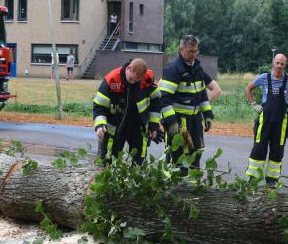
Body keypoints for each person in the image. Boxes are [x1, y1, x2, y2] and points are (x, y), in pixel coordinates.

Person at [158, 35, 222, 173]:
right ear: (181, 50)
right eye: (190, 51)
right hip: (178, 121)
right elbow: (164, 99)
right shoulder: (173, 69)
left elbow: (202, 95)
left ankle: (192, 188)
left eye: (195, 51)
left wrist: (207, 115)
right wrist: (172, 122)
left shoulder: (197, 69)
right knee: (177, 155)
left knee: (196, 152)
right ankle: (174, 188)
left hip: (195, 120)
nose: (193, 55)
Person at [245, 54, 288, 185]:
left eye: (282, 64)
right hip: (265, 119)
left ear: (285, 65)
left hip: (281, 121)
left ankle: (272, 180)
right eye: (277, 63)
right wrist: (253, 104)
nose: (279, 66)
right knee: (259, 147)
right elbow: (248, 89)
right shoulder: (264, 78)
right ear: (273, 63)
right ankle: (252, 178)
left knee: (277, 149)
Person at [93, 58, 167, 165]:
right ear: (129, 68)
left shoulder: (147, 80)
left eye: (136, 80)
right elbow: (99, 106)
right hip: (115, 128)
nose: (132, 82)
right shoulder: (112, 80)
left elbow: (156, 102)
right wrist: (100, 125)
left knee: (138, 162)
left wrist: (153, 125)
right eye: (131, 78)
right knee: (109, 161)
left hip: (138, 127)